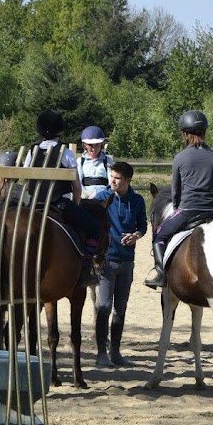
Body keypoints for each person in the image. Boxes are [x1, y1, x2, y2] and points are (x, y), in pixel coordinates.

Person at [144, 110, 213, 289]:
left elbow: (176, 191)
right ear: (204, 132)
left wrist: (178, 207)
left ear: (185, 134)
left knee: (159, 235)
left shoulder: (180, 158)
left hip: (188, 210)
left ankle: (161, 274)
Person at [24, 110, 101, 285]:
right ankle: (86, 266)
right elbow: (76, 187)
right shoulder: (65, 153)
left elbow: (28, 183)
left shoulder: (31, 151)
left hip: (35, 204)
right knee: (95, 228)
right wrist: (76, 204)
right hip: (60, 204)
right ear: (59, 130)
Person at [93, 161, 147, 366]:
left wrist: (136, 235)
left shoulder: (138, 201)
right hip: (106, 260)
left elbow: (142, 225)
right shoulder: (101, 198)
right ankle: (101, 353)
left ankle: (115, 352)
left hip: (127, 261)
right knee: (104, 306)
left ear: (127, 180)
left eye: (117, 178)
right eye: (111, 176)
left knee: (121, 308)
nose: (112, 180)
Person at [77, 126, 114, 199]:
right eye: (90, 145)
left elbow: (111, 181)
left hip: (104, 196)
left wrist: (103, 194)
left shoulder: (107, 160)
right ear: (85, 145)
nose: (94, 149)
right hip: (86, 196)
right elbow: (78, 182)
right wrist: (85, 195)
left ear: (101, 145)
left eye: (97, 145)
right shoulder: (80, 161)